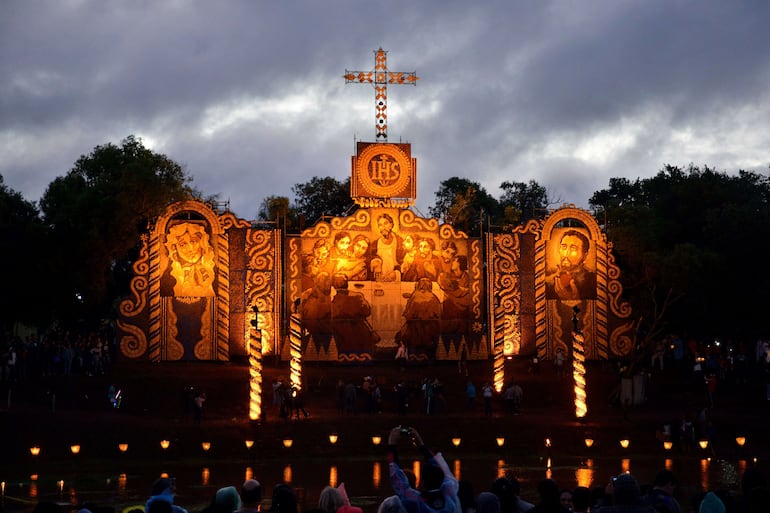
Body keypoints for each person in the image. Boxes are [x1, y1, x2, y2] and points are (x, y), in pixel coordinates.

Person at [387, 426, 460, 513]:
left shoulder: (415, 500)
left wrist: (392, 445)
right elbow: (444, 469)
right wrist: (421, 445)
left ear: (422, 483)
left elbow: (397, 480)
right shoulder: (450, 492)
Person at [330, 273, 380, 353]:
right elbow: (367, 311)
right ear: (347, 284)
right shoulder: (357, 296)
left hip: (341, 338)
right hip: (360, 336)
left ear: (334, 286)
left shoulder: (332, 300)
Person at [163, 222, 216, 297]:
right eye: (183, 244)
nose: (190, 248)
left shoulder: (215, 271)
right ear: (175, 249)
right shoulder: (169, 277)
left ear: (202, 244)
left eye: (194, 241)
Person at [545, 230, 596, 301]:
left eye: (573, 249)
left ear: (584, 255)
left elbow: (584, 311)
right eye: (564, 247)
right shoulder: (549, 283)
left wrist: (572, 302)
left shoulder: (592, 282)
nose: (566, 254)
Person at [370, 213, 405, 282]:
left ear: (391, 225)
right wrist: (376, 262)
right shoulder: (375, 243)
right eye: (380, 225)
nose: (383, 227)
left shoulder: (400, 241)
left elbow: (404, 261)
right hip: (379, 279)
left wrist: (396, 273)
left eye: (386, 223)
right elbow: (370, 256)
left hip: (395, 280)